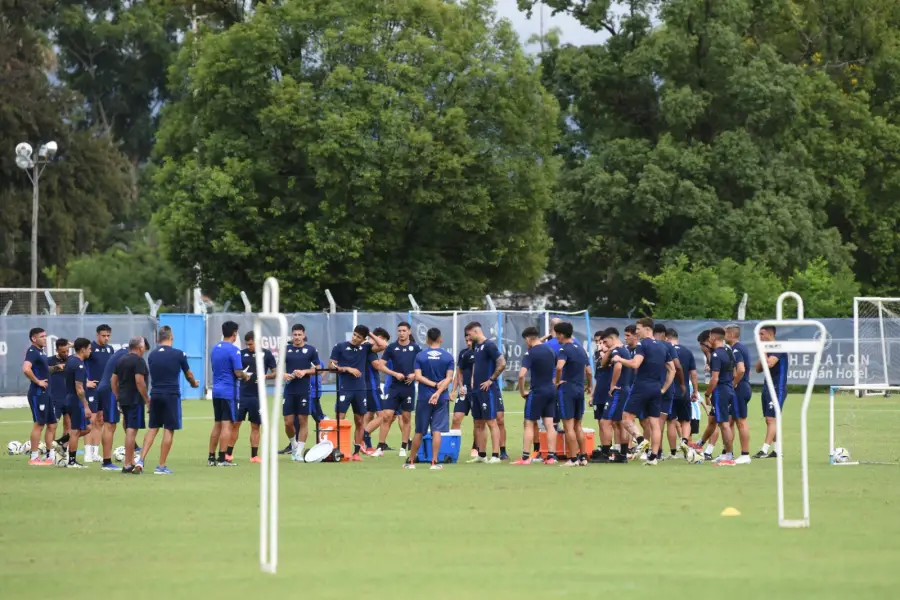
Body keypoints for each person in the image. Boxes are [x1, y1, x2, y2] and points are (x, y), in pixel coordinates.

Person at [613, 318, 674, 466]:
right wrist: (664, 388)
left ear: (647, 329)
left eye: (638, 329)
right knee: (654, 423)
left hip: (641, 386)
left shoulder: (642, 344)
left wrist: (619, 359)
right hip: (656, 389)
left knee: (626, 418)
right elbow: (672, 369)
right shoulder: (662, 346)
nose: (636, 331)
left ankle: (640, 440)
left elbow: (635, 363)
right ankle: (653, 457)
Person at [140, 327, 199, 474]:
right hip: (171, 394)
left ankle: (140, 460)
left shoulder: (152, 355)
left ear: (158, 339)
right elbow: (189, 374)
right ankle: (161, 466)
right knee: (169, 429)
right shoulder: (179, 354)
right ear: (171, 337)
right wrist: (194, 384)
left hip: (155, 393)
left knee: (153, 428)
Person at [329, 325, 386, 461]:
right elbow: (331, 366)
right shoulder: (340, 346)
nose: (355, 338)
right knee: (339, 419)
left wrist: (369, 333)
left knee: (360, 421)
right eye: (354, 335)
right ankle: (336, 449)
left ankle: (355, 453)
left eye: (359, 337)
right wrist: (347, 368)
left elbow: (383, 345)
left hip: (361, 390)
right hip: (345, 388)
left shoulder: (365, 348)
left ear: (363, 339)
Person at [404, 328, 454, 470]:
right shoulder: (448, 357)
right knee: (436, 430)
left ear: (426, 340)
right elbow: (449, 378)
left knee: (419, 430)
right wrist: (438, 391)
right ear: (441, 339)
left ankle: (411, 462)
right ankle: (434, 462)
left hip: (424, 397)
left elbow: (418, 377)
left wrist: (432, 386)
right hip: (441, 397)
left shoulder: (420, 356)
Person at [513, 327, 558, 465]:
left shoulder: (530, 353)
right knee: (549, 424)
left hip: (537, 391)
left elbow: (521, 375)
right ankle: (551, 457)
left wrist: (522, 391)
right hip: (551, 390)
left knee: (529, 423)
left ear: (527, 339)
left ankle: (525, 458)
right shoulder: (550, 350)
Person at [376, 322, 421, 457]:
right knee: (387, 416)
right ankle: (380, 447)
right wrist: (394, 374)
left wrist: (414, 375)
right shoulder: (391, 347)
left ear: (409, 332)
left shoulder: (415, 348)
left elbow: (422, 365)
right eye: (399, 331)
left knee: (406, 417)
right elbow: (380, 365)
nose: (401, 333)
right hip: (394, 387)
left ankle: (403, 447)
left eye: (404, 331)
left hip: (408, 387)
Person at [209, 321, 250, 466]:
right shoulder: (234, 350)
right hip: (228, 392)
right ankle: (222, 459)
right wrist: (246, 376)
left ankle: (211, 457)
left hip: (216, 391)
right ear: (235, 333)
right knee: (228, 425)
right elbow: (238, 372)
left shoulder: (214, 349)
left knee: (217, 424)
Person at [464, 322, 505, 464]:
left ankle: (495, 455)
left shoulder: (489, 345)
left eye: (469, 335)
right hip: (475, 390)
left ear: (476, 332)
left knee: (491, 422)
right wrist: (473, 379)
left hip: (487, 390)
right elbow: (476, 364)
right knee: (478, 423)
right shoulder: (476, 347)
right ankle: (481, 454)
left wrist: (491, 380)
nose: (468, 339)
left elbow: (502, 363)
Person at [554, 321, 591, 467]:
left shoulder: (564, 349)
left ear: (562, 335)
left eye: (557, 335)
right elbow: (588, 371)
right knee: (578, 426)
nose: (556, 338)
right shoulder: (581, 349)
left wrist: (557, 381)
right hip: (579, 389)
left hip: (567, 390)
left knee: (568, 426)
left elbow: (559, 367)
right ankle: (583, 458)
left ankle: (573, 459)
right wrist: (589, 386)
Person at [112, 337, 150, 474]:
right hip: (134, 399)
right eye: (144, 347)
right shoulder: (138, 361)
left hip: (124, 399)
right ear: (140, 348)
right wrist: (147, 400)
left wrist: (117, 396)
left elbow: (113, 380)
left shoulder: (121, 360)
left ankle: (130, 461)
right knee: (131, 430)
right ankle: (128, 463)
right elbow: (139, 382)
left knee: (129, 427)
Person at [22, 327, 58, 465]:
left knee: (53, 424)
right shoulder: (32, 352)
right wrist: (37, 381)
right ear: (34, 339)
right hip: (38, 393)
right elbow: (26, 368)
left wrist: (56, 368)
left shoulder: (40, 352)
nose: (45, 338)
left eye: (45, 336)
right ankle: (34, 457)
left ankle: (50, 456)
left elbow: (44, 369)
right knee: (39, 424)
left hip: (46, 393)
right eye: (42, 336)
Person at [281, 325, 318, 461]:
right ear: (292, 335)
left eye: (299, 335)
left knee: (303, 420)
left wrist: (305, 372)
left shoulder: (311, 350)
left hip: (303, 390)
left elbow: (319, 369)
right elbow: (277, 369)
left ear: (304, 335)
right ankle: (293, 444)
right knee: (288, 422)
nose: (297, 337)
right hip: (289, 390)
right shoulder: (286, 349)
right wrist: (284, 374)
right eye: (294, 335)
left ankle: (299, 452)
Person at [599, 327, 633, 463]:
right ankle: (622, 455)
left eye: (606, 341)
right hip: (624, 388)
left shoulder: (617, 350)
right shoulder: (622, 349)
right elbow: (603, 364)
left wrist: (613, 384)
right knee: (620, 422)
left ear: (612, 338)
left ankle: (605, 454)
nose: (605, 345)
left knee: (605, 421)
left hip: (618, 390)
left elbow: (618, 367)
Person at [754, 325, 787, 458]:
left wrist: (763, 352)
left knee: (771, 418)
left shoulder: (778, 347)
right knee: (771, 419)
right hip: (767, 386)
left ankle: (764, 449)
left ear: (770, 334)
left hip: (777, 388)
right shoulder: (766, 349)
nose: (760, 337)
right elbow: (758, 368)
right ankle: (777, 450)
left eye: (762, 334)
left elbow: (769, 363)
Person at [653, 323, 684, 459]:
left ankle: (655, 452)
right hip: (668, 387)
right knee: (664, 421)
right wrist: (682, 383)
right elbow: (677, 366)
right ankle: (659, 452)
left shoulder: (649, 345)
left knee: (651, 421)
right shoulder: (668, 346)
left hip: (653, 386)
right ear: (665, 335)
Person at [706, 327, 736, 465]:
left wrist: (707, 393)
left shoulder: (716, 355)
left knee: (724, 424)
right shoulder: (728, 352)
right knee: (723, 422)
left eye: (710, 337)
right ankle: (727, 455)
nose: (709, 340)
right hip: (729, 388)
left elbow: (715, 378)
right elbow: (735, 372)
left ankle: (729, 456)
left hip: (720, 391)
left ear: (714, 338)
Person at [83, 324, 113, 463]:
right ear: (97, 335)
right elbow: (78, 364)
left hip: (105, 389)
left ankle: (95, 452)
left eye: (108, 336)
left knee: (100, 421)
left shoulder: (110, 349)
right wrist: (86, 381)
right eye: (103, 335)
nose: (106, 338)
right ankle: (87, 453)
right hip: (92, 390)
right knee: (91, 420)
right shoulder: (90, 348)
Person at [667, 328, 700, 456]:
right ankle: (685, 442)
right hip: (684, 391)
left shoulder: (666, 351)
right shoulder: (687, 352)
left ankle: (673, 452)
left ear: (667, 338)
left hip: (670, 392)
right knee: (686, 421)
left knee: (671, 421)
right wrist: (695, 391)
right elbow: (694, 374)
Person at [97, 344, 130, 469]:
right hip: (110, 390)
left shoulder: (120, 353)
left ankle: (134, 447)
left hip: (104, 388)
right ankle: (106, 462)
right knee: (109, 425)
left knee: (109, 424)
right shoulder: (126, 356)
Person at [63, 338, 94, 468]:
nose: (90, 351)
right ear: (83, 349)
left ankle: (62, 441)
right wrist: (86, 406)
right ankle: (72, 461)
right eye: (89, 348)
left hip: (68, 398)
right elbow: (79, 388)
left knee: (87, 428)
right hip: (76, 400)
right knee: (76, 431)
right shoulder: (79, 365)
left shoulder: (70, 359)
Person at [726, 324, 753, 464]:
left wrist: (733, 383)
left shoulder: (736, 349)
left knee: (741, 421)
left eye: (725, 333)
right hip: (743, 387)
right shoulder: (742, 347)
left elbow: (741, 369)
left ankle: (745, 454)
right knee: (729, 421)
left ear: (731, 335)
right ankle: (727, 453)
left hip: (739, 389)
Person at [452, 339, 478, 457]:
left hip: (477, 391)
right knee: (456, 418)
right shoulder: (464, 353)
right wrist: (456, 389)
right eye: (466, 340)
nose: (468, 343)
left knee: (477, 421)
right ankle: (452, 446)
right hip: (465, 391)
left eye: (470, 340)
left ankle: (475, 447)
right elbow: (459, 372)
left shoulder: (482, 352)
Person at [47, 338, 70, 462]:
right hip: (55, 398)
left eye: (67, 351)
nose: (65, 354)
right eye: (62, 352)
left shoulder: (72, 360)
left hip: (69, 398)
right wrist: (56, 367)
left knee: (69, 425)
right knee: (52, 426)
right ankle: (50, 453)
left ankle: (63, 451)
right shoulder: (50, 360)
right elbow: (44, 371)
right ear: (57, 350)